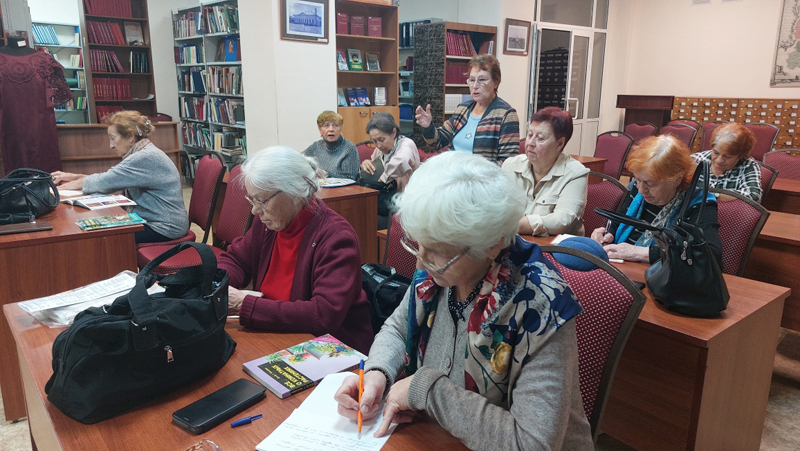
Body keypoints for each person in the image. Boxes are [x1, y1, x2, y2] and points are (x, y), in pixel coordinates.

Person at [334, 152, 594, 450]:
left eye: (437, 251)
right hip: (440, 437)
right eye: (419, 244)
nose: (420, 264)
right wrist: (377, 373)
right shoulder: (437, 273)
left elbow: (532, 444)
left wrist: (427, 390)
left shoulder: (541, 304)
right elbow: (397, 328)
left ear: (493, 243)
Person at [217, 146, 373, 354]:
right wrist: (218, 284)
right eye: (252, 200)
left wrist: (244, 304)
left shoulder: (336, 237)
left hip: (330, 348)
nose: (255, 210)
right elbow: (236, 259)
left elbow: (323, 315)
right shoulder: (268, 224)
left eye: (261, 200)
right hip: (278, 333)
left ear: (295, 192)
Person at [52, 110, 189, 244]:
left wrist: (66, 187)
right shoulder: (144, 152)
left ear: (130, 137)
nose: (111, 146)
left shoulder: (144, 157)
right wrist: (75, 177)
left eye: (113, 138)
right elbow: (111, 179)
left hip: (164, 227)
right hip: (159, 221)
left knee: (99, 238)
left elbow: (105, 182)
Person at [590, 135, 722, 264]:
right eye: (637, 179)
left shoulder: (699, 203)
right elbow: (619, 221)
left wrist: (640, 253)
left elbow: (710, 255)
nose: (641, 190)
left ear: (676, 179)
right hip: (621, 266)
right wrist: (607, 235)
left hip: (661, 275)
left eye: (650, 183)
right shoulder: (638, 188)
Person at [414, 54, 519, 163]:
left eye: (482, 80)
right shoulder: (462, 109)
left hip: (480, 173)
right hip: (451, 169)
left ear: (496, 82)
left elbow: (507, 164)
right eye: (472, 80)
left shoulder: (506, 115)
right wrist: (428, 127)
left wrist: (470, 171)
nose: (475, 86)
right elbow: (437, 143)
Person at [501, 107, 589, 236]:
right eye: (529, 135)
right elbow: (493, 206)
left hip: (555, 246)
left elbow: (562, 221)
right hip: (514, 241)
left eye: (540, 138)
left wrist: (511, 226)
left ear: (559, 144)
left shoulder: (575, 174)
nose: (530, 143)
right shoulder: (510, 166)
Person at [359, 112, 420, 228]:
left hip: (406, 206)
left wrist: (383, 178)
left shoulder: (406, 144)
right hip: (386, 203)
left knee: (369, 222)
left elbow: (400, 162)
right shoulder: (380, 150)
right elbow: (374, 169)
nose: (378, 145)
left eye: (382, 139)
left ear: (393, 132)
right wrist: (365, 165)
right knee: (361, 216)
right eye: (374, 141)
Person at [691, 122, 762, 202]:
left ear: (741, 155)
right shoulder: (695, 160)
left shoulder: (748, 166)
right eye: (716, 153)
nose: (719, 160)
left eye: (727, 156)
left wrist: (712, 196)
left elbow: (754, 197)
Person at [302, 110, 359, 180]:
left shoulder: (349, 148)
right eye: (326, 125)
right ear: (320, 129)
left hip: (342, 187)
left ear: (341, 129)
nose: (331, 129)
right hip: (319, 186)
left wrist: (326, 174)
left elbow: (350, 178)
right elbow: (298, 159)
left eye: (335, 125)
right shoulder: (316, 146)